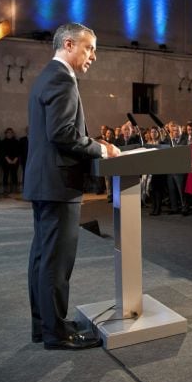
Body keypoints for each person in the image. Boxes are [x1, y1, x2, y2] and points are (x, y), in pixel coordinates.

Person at [23, 22, 120, 351]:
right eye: (89, 47)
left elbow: (59, 131)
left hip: (45, 181)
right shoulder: (62, 79)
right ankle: (57, 333)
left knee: (42, 258)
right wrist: (101, 149)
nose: (94, 55)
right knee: (55, 261)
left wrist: (93, 143)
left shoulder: (47, 76)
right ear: (68, 44)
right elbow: (63, 134)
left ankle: (46, 325)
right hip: (58, 183)